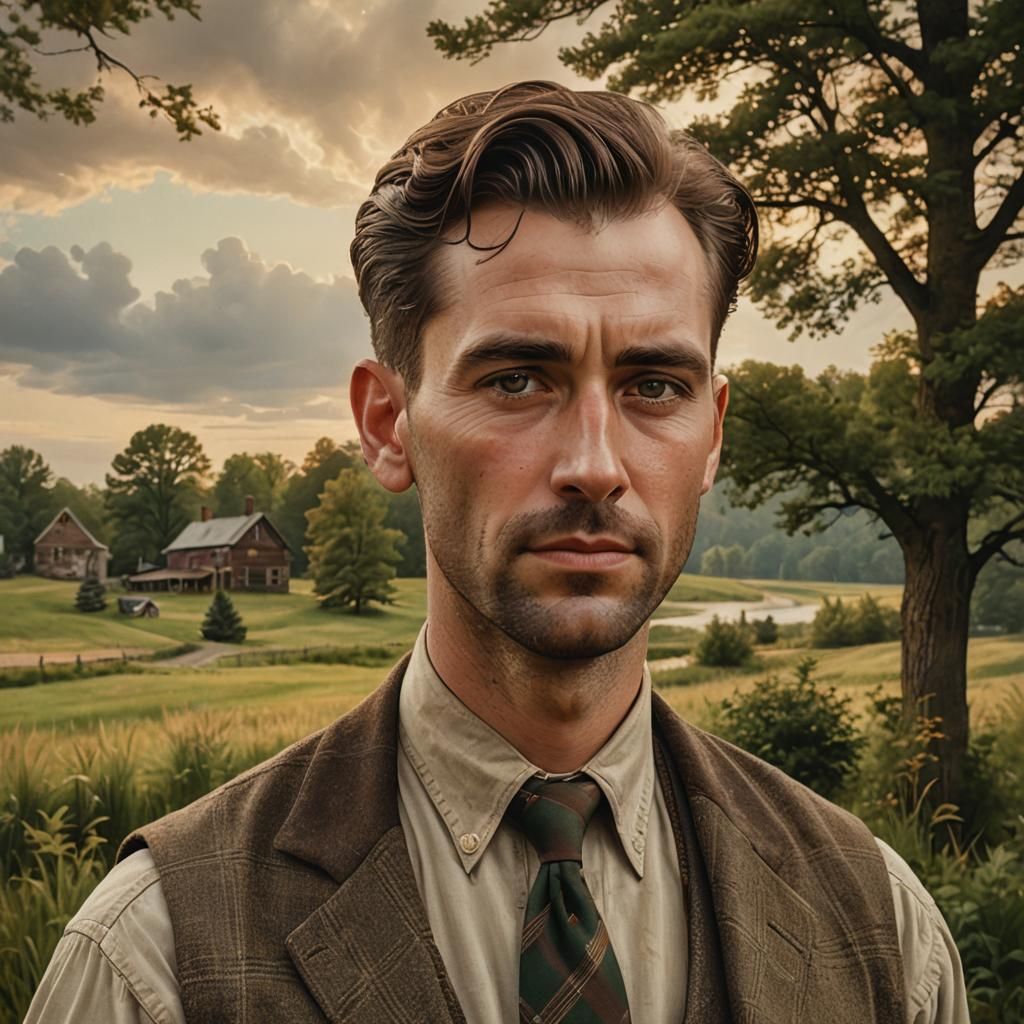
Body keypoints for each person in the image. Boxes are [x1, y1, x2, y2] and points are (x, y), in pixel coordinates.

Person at [26, 80, 968, 1024]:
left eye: (654, 385)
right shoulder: (155, 958)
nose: (595, 466)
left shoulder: (883, 929)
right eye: (518, 378)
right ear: (388, 423)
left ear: (712, 434)